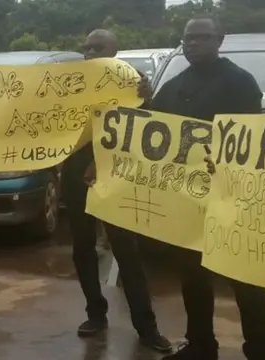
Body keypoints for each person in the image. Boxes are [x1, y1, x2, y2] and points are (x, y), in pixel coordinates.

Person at [138, 15, 265, 360]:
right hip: (188, 201)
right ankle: (201, 344)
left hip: (232, 198)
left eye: (202, 37)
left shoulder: (240, 82)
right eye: (187, 38)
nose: (193, 43)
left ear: (219, 40)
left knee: (244, 280)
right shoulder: (173, 85)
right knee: (192, 277)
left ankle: (259, 350)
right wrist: (139, 98)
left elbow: (250, 138)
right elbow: (151, 129)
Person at [63, 29, 173, 353]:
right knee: (82, 248)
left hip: (116, 174)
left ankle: (147, 327)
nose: (91, 52)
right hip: (74, 175)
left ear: (115, 51)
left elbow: (145, 124)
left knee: (126, 251)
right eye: (87, 47)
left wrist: (148, 95)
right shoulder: (70, 81)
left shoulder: (132, 81)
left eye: (98, 47)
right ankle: (95, 314)